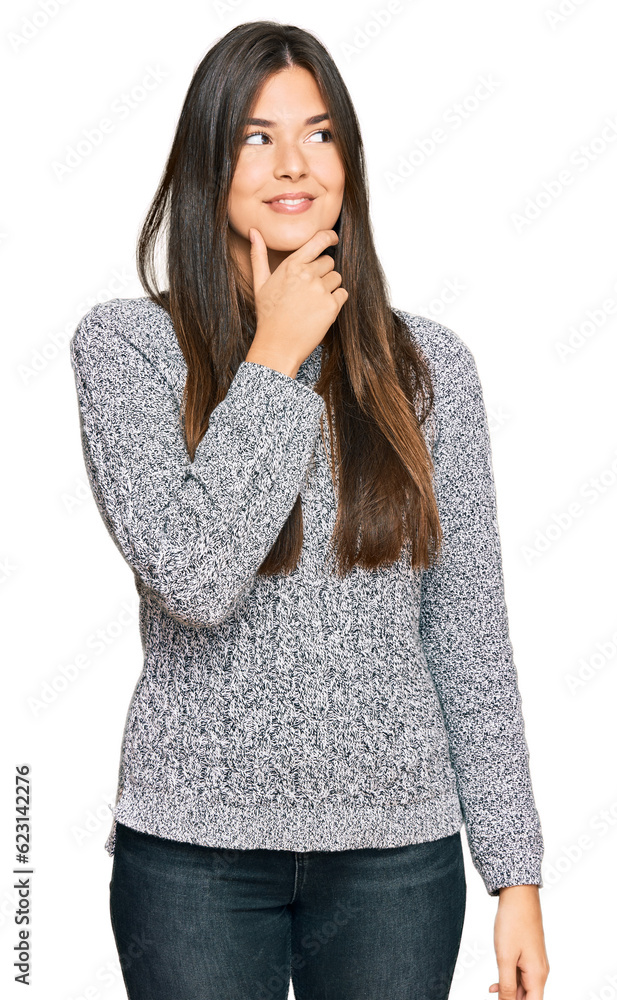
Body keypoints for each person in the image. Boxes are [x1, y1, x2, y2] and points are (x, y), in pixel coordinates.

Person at [68, 20, 550, 1000]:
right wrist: (274, 358)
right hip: (194, 854)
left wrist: (515, 873)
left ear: (349, 160)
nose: (293, 163)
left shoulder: (427, 369)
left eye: (318, 134)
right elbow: (194, 579)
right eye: (255, 136)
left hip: (395, 859)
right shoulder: (126, 350)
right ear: (209, 162)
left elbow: (466, 633)